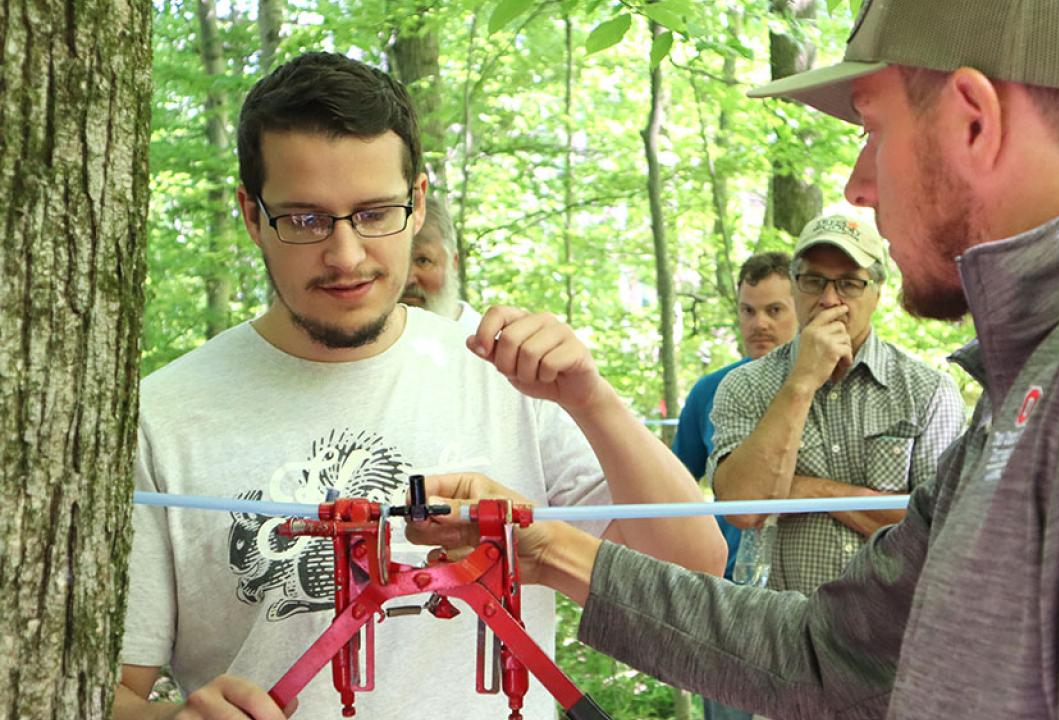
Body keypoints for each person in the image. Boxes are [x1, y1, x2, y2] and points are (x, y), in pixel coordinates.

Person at [410, 2, 1059, 718]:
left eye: (872, 127)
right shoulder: (1042, 373)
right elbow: (830, 658)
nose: (860, 182)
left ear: (974, 121)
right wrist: (542, 549)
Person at [113, 52, 724, 720]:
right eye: (306, 220)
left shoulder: (510, 379)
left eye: (376, 213)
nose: (346, 256)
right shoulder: (162, 416)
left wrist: (592, 400)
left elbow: (696, 573)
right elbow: (103, 688)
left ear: (419, 201)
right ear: (251, 214)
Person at [711, 215, 964, 596]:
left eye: (849, 283)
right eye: (814, 281)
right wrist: (802, 382)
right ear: (796, 289)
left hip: (889, 635)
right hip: (782, 631)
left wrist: (806, 491)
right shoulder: (745, 385)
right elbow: (744, 508)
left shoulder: (927, 392)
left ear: (876, 293)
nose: (830, 299)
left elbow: (943, 529)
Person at [671, 251, 798, 720]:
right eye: (748, 310)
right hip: (727, 604)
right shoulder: (711, 392)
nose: (759, 323)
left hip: (810, 601)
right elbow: (671, 489)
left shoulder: (829, 388)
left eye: (774, 310)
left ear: (801, 309)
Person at [399, 193, 482, 332]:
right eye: (399, 261)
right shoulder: (364, 347)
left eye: (423, 261)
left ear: (454, 263)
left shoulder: (488, 344)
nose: (407, 279)